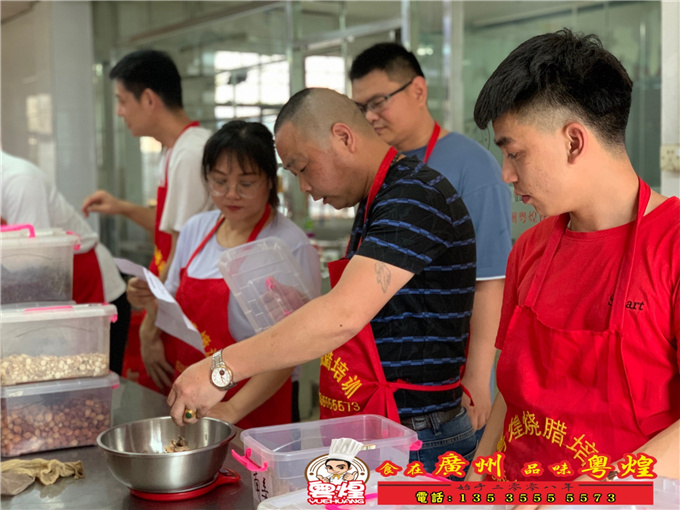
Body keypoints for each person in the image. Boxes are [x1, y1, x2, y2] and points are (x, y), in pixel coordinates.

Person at [167, 88, 478, 476]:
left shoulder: (414, 197)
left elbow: (343, 315)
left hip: (420, 440)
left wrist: (221, 370)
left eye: (303, 168)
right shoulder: (377, 199)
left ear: (344, 137)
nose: (305, 188)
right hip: (389, 428)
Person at [466, 29, 679, 482]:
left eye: (514, 153)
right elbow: (514, 394)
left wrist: (610, 485)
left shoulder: (673, 246)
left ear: (574, 141)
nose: (506, 174)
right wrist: (480, 473)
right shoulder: (530, 249)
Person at [350, 43, 512, 435]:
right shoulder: (378, 168)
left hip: (445, 387)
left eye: (378, 102)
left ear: (418, 91)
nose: (370, 116)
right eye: (360, 108)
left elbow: (489, 283)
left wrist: (476, 378)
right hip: (385, 381)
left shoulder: (470, 166)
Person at [126, 120, 321, 429]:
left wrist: (231, 409)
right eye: (219, 181)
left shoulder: (289, 245)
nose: (231, 194)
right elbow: (170, 300)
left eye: (246, 184)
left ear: (271, 181)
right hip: (192, 389)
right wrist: (146, 297)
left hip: (255, 402)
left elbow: (293, 346)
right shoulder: (196, 229)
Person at [82, 49, 212, 389]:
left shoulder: (191, 153)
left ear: (149, 99)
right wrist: (122, 207)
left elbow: (182, 249)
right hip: (174, 305)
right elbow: (168, 226)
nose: (120, 112)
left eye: (123, 100)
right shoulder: (173, 150)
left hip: (189, 311)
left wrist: (151, 326)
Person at [1, 150, 131, 375]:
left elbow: (32, 268)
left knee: (88, 385)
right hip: (48, 299)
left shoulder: (18, 181)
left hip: (90, 296)